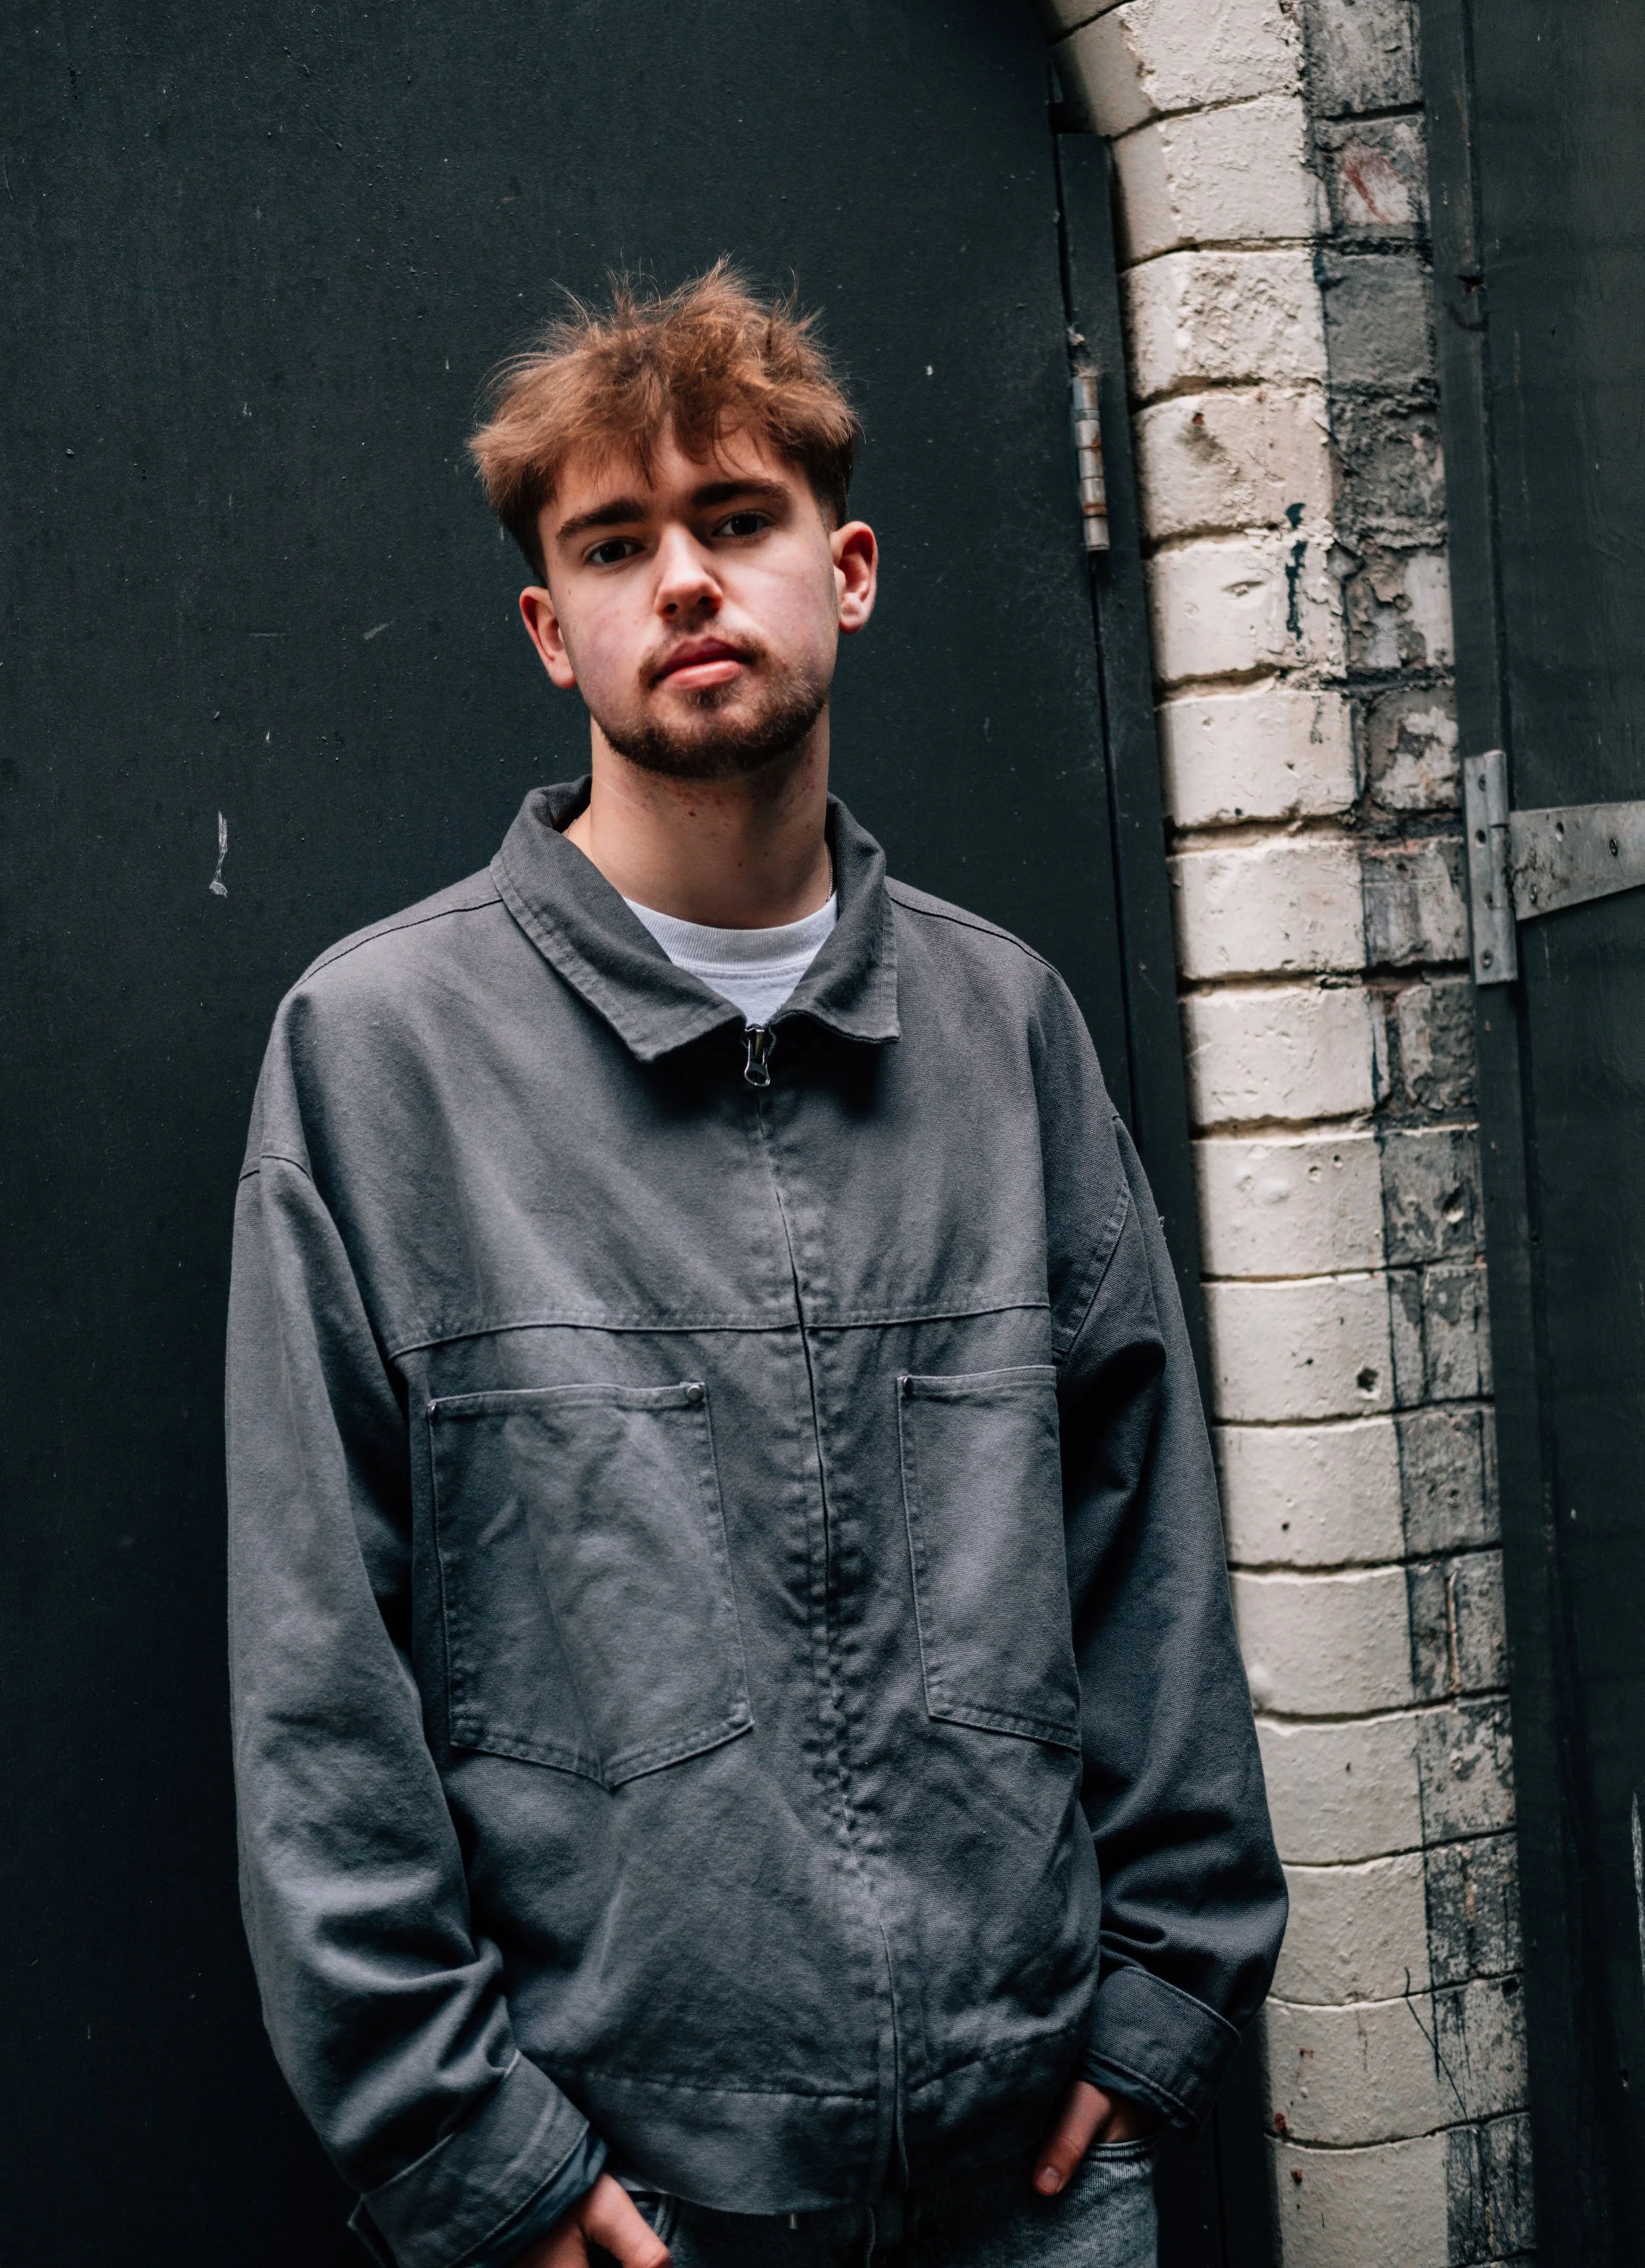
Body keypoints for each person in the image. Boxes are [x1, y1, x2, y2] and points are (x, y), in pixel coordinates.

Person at [227, 267, 1285, 2268]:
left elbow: (1149, 1549)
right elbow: (315, 1680)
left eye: (736, 520)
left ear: (847, 568)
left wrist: (1160, 2000)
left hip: (1033, 2196)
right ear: (554, 630)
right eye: (615, 545)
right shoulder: (379, 1056)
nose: (685, 581)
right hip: (620, 2209)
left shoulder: (1006, 1029)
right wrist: (477, 2163)